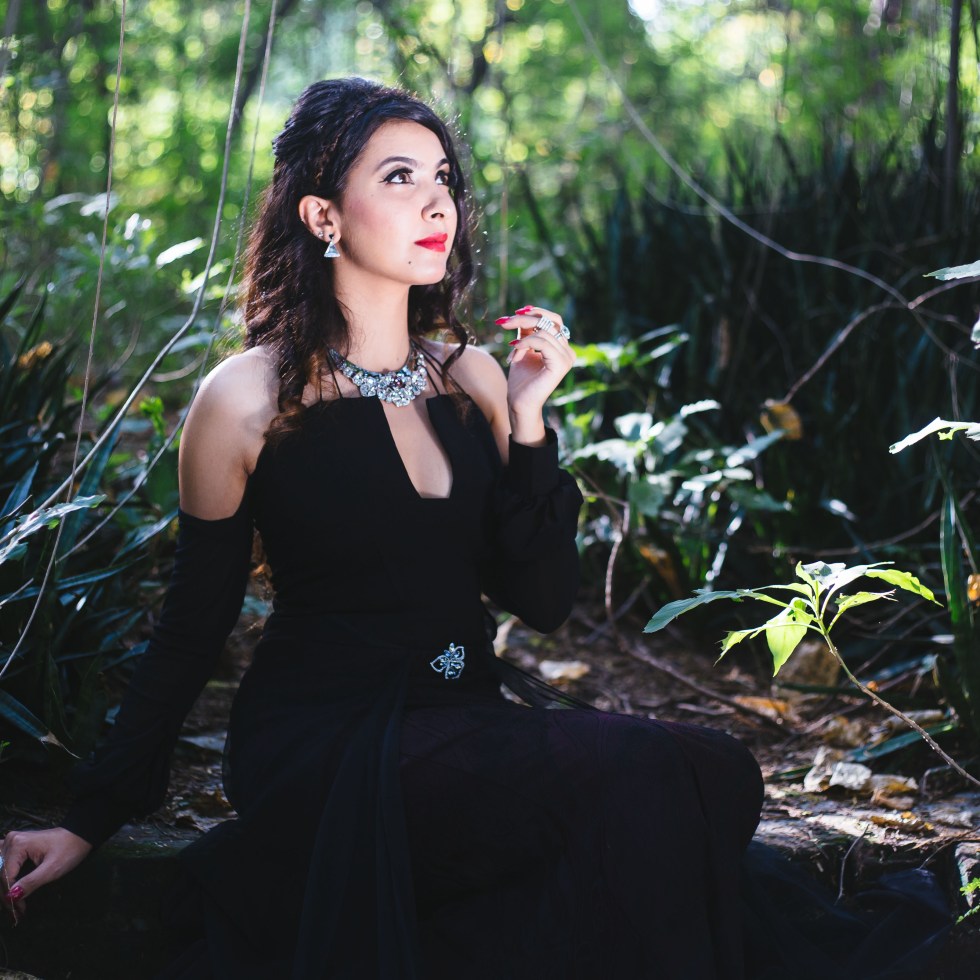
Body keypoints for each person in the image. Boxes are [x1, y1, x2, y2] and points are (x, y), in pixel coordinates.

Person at [0, 77, 764, 979]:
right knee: (642, 774)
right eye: (399, 177)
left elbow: (543, 601)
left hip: (464, 719)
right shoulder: (246, 398)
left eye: (443, 178)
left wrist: (528, 424)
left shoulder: (474, 377)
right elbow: (191, 626)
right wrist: (89, 819)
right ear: (323, 215)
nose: (438, 203)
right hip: (325, 740)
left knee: (721, 771)